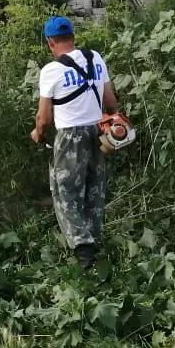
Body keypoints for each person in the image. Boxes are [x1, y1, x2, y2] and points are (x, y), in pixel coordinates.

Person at [30, 16, 119, 269]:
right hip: (98, 132)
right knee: (94, 188)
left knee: (66, 192)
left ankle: (83, 252)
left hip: (69, 138)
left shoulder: (51, 71)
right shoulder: (96, 58)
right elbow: (111, 104)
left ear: (50, 42)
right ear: (72, 36)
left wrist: (38, 133)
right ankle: (94, 239)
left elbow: (44, 118)